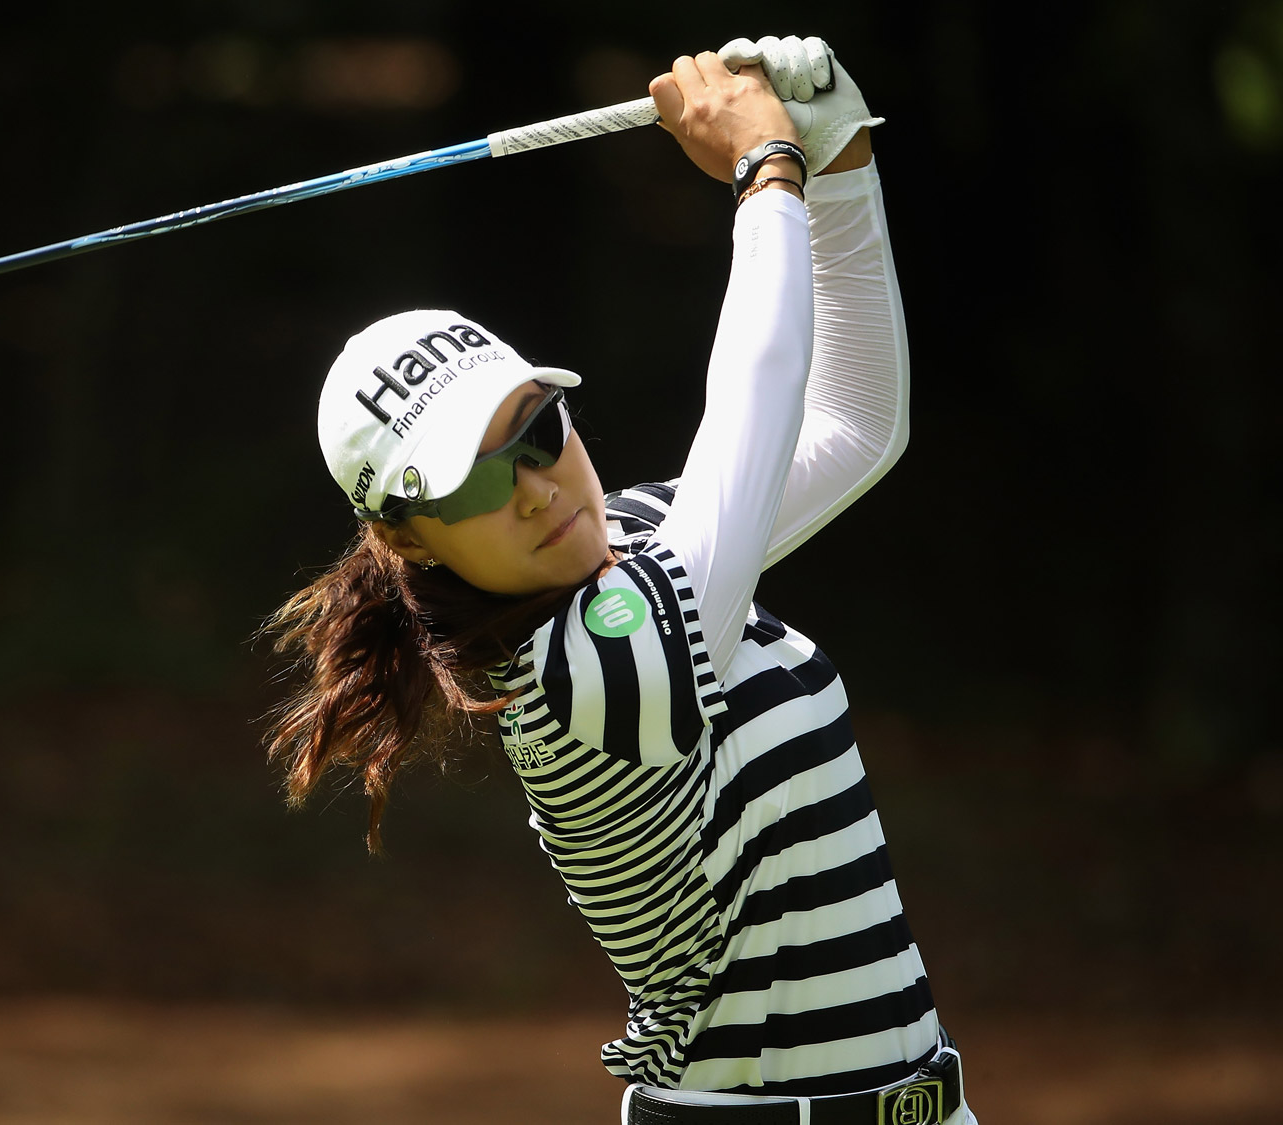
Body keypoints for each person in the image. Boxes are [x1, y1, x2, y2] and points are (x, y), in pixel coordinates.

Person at [263, 34, 975, 1125]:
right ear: (406, 539)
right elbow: (756, 398)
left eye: (537, 430)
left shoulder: (637, 544)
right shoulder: (580, 670)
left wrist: (837, 166)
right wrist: (763, 175)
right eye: (472, 483)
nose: (538, 488)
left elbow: (852, 421)